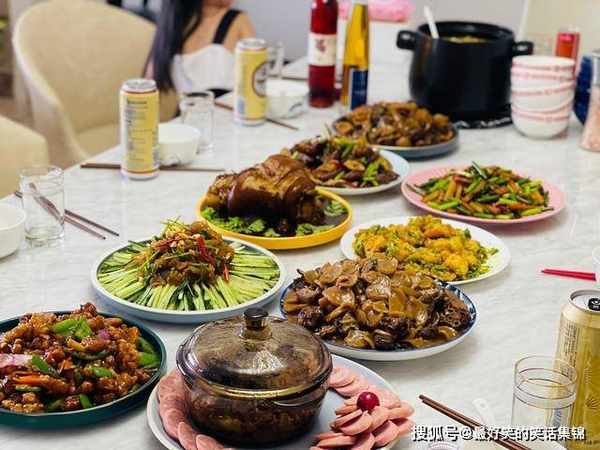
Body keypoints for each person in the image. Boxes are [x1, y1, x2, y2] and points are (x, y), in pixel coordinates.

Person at [145, 0, 255, 96]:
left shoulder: (237, 20)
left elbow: (257, 76)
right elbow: (147, 90)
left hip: (225, 110)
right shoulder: (170, 30)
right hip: (191, 111)